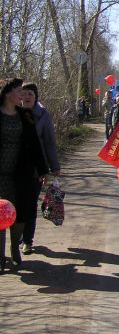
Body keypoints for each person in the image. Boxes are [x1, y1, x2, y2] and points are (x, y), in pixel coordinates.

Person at [0, 78, 48, 269]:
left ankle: (14, 248)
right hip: (0, 173)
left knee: (20, 212)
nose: (22, 94)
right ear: (7, 93)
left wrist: (43, 169)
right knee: (1, 213)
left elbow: (36, 145)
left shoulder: (24, 115)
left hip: (20, 173)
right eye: (18, 91)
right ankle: (0, 257)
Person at [19, 83, 61, 255]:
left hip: (35, 168)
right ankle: (18, 237)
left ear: (35, 96)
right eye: (24, 93)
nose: (27, 96)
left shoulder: (43, 116)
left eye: (30, 93)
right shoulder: (11, 113)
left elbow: (50, 143)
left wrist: (54, 166)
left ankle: (27, 241)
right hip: (13, 168)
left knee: (29, 205)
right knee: (14, 205)